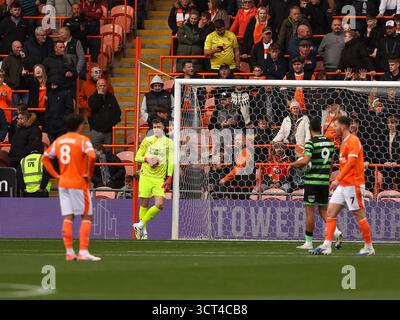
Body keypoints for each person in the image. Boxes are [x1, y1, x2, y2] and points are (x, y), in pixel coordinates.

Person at [310, 116, 375, 256]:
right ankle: (327, 245)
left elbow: (351, 164)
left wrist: (337, 179)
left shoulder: (353, 141)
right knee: (330, 212)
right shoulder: (343, 142)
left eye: (336, 125)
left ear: (343, 127)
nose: (334, 128)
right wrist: (339, 181)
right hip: (344, 185)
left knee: (359, 215)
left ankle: (369, 247)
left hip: (353, 184)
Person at [42, 113, 100, 261]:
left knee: (68, 217)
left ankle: (69, 252)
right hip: (79, 183)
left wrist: (56, 175)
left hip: (63, 183)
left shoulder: (59, 141)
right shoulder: (82, 140)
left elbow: (45, 158)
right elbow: (92, 156)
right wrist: (89, 173)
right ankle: (83, 251)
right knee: (87, 215)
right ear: (79, 126)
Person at [289, 117, 342, 250]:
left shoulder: (311, 143)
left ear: (309, 129)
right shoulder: (330, 143)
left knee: (309, 211)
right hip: (324, 181)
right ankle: (335, 231)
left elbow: (305, 161)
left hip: (312, 182)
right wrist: (327, 178)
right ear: (321, 128)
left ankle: (308, 242)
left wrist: (292, 164)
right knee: (323, 210)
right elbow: (331, 164)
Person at [133, 118, 174, 240]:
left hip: (159, 179)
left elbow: (171, 161)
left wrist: (169, 177)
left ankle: (140, 224)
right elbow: (137, 157)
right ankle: (142, 231)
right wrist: (147, 159)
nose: (156, 129)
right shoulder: (147, 141)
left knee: (160, 204)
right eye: (154, 127)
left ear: (164, 128)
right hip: (146, 176)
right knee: (144, 203)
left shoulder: (169, 143)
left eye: (158, 127)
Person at [88, 79, 121, 146]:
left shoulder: (112, 98)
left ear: (107, 87)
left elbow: (118, 112)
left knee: (109, 152)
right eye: (100, 86)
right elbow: (94, 107)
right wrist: (100, 96)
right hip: (96, 131)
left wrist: (112, 124)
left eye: (104, 86)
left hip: (108, 131)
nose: (102, 87)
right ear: (97, 87)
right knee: (95, 153)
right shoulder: (92, 98)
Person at [44, 73, 74, 142]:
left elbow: (69, 109)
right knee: (53, 147)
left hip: (62, 127)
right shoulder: (49, 94)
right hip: (50, 127)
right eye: (51, 84)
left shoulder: (66, 94)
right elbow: (47, 110)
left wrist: (63, 122)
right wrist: (47, 123)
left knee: (60, 147)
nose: (53, 86)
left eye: (55, 84)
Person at [2, 40, 33, 106]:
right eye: (17, 47)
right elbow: (3, 75)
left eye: (21, 47)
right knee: (14, 110)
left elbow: (31, 67)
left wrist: (24, 58)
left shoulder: (25, 57)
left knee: (25, 109)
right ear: (13, 48)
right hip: (14, 90)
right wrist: (12, 82)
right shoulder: (7, 60)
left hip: (25, 88)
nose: (20, 49)